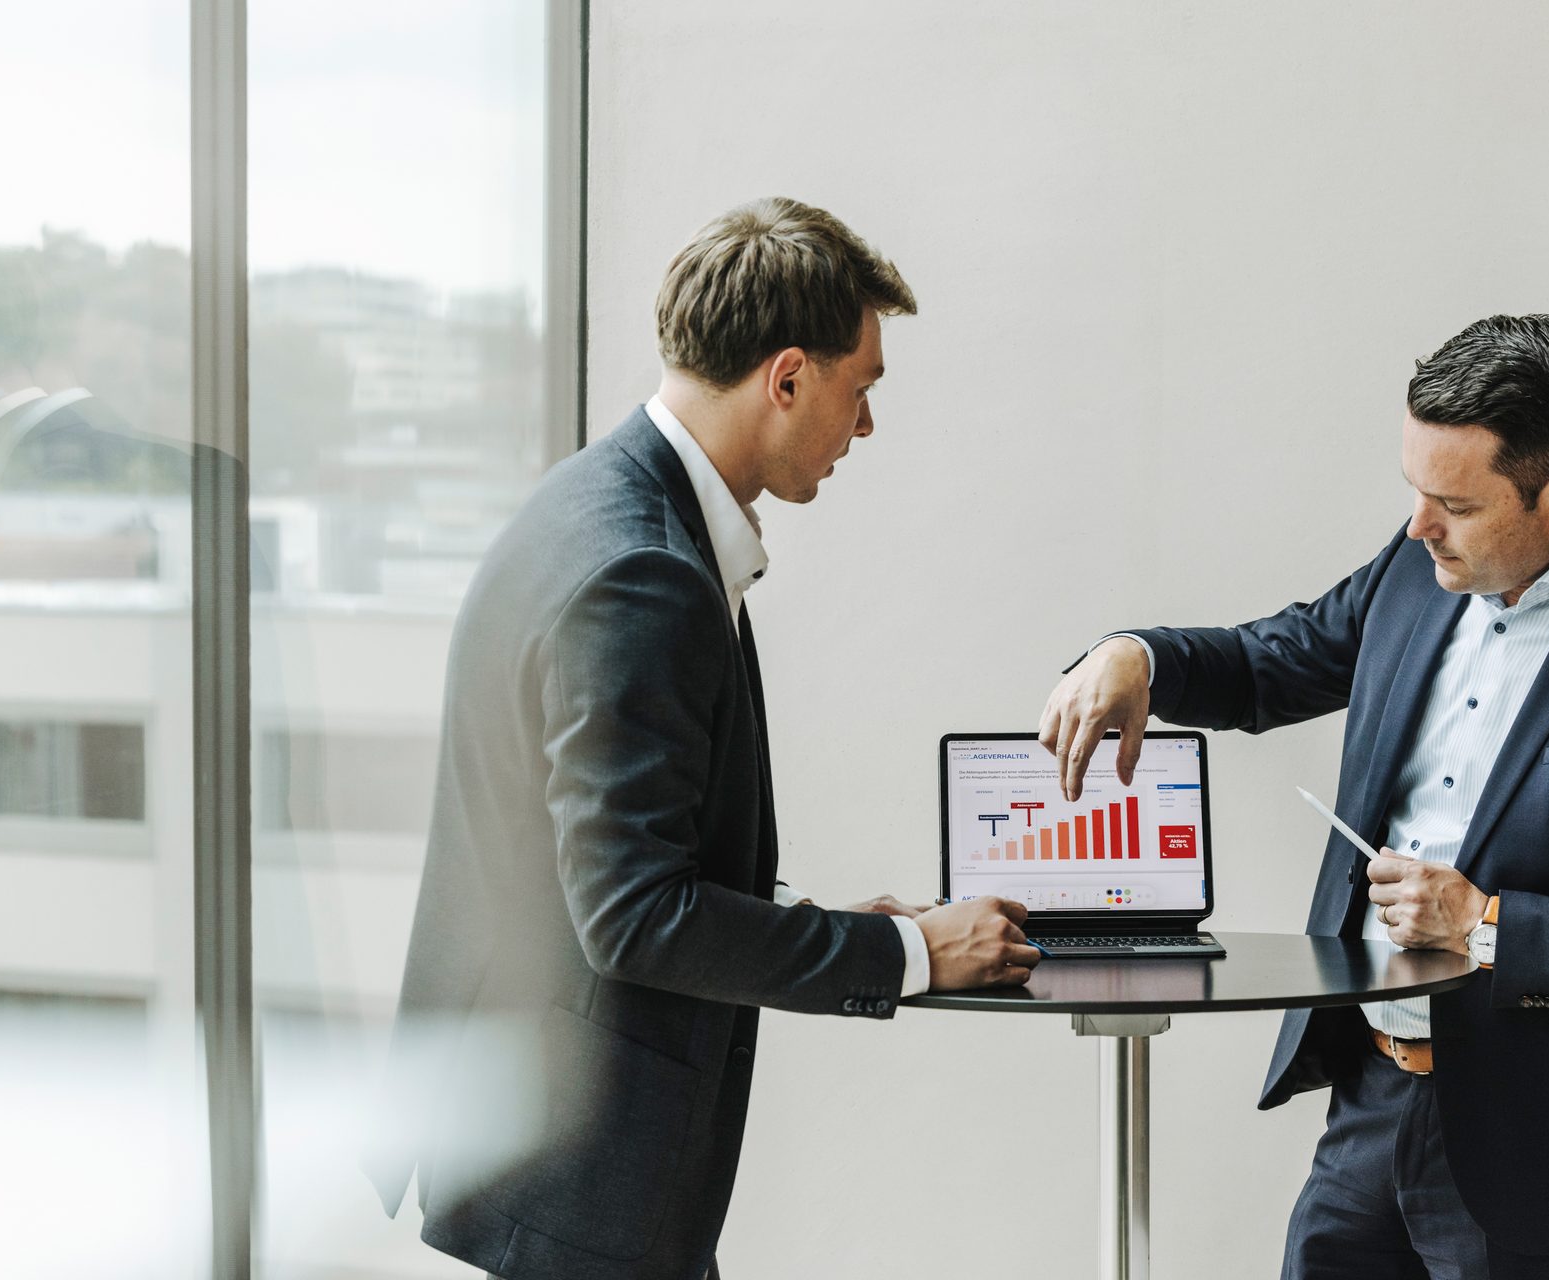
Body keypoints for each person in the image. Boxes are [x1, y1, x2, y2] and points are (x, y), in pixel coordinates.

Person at [1039, 314, 1549, 1280]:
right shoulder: (1418, 567)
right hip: (1368, 1100)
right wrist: (1135, 656)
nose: (1417, 524)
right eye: (1414, 489)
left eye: (1453, 501)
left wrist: (1487, 923)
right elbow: (1274, 660)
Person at [366, 197, 1042, 1280]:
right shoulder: (645, 573)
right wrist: (912, 953)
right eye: (859, 389)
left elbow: (611, 856)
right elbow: (636, 915)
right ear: (787, 378)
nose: (863, 427)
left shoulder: (598, 502)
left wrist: (824, 922)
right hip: (575, 1163)